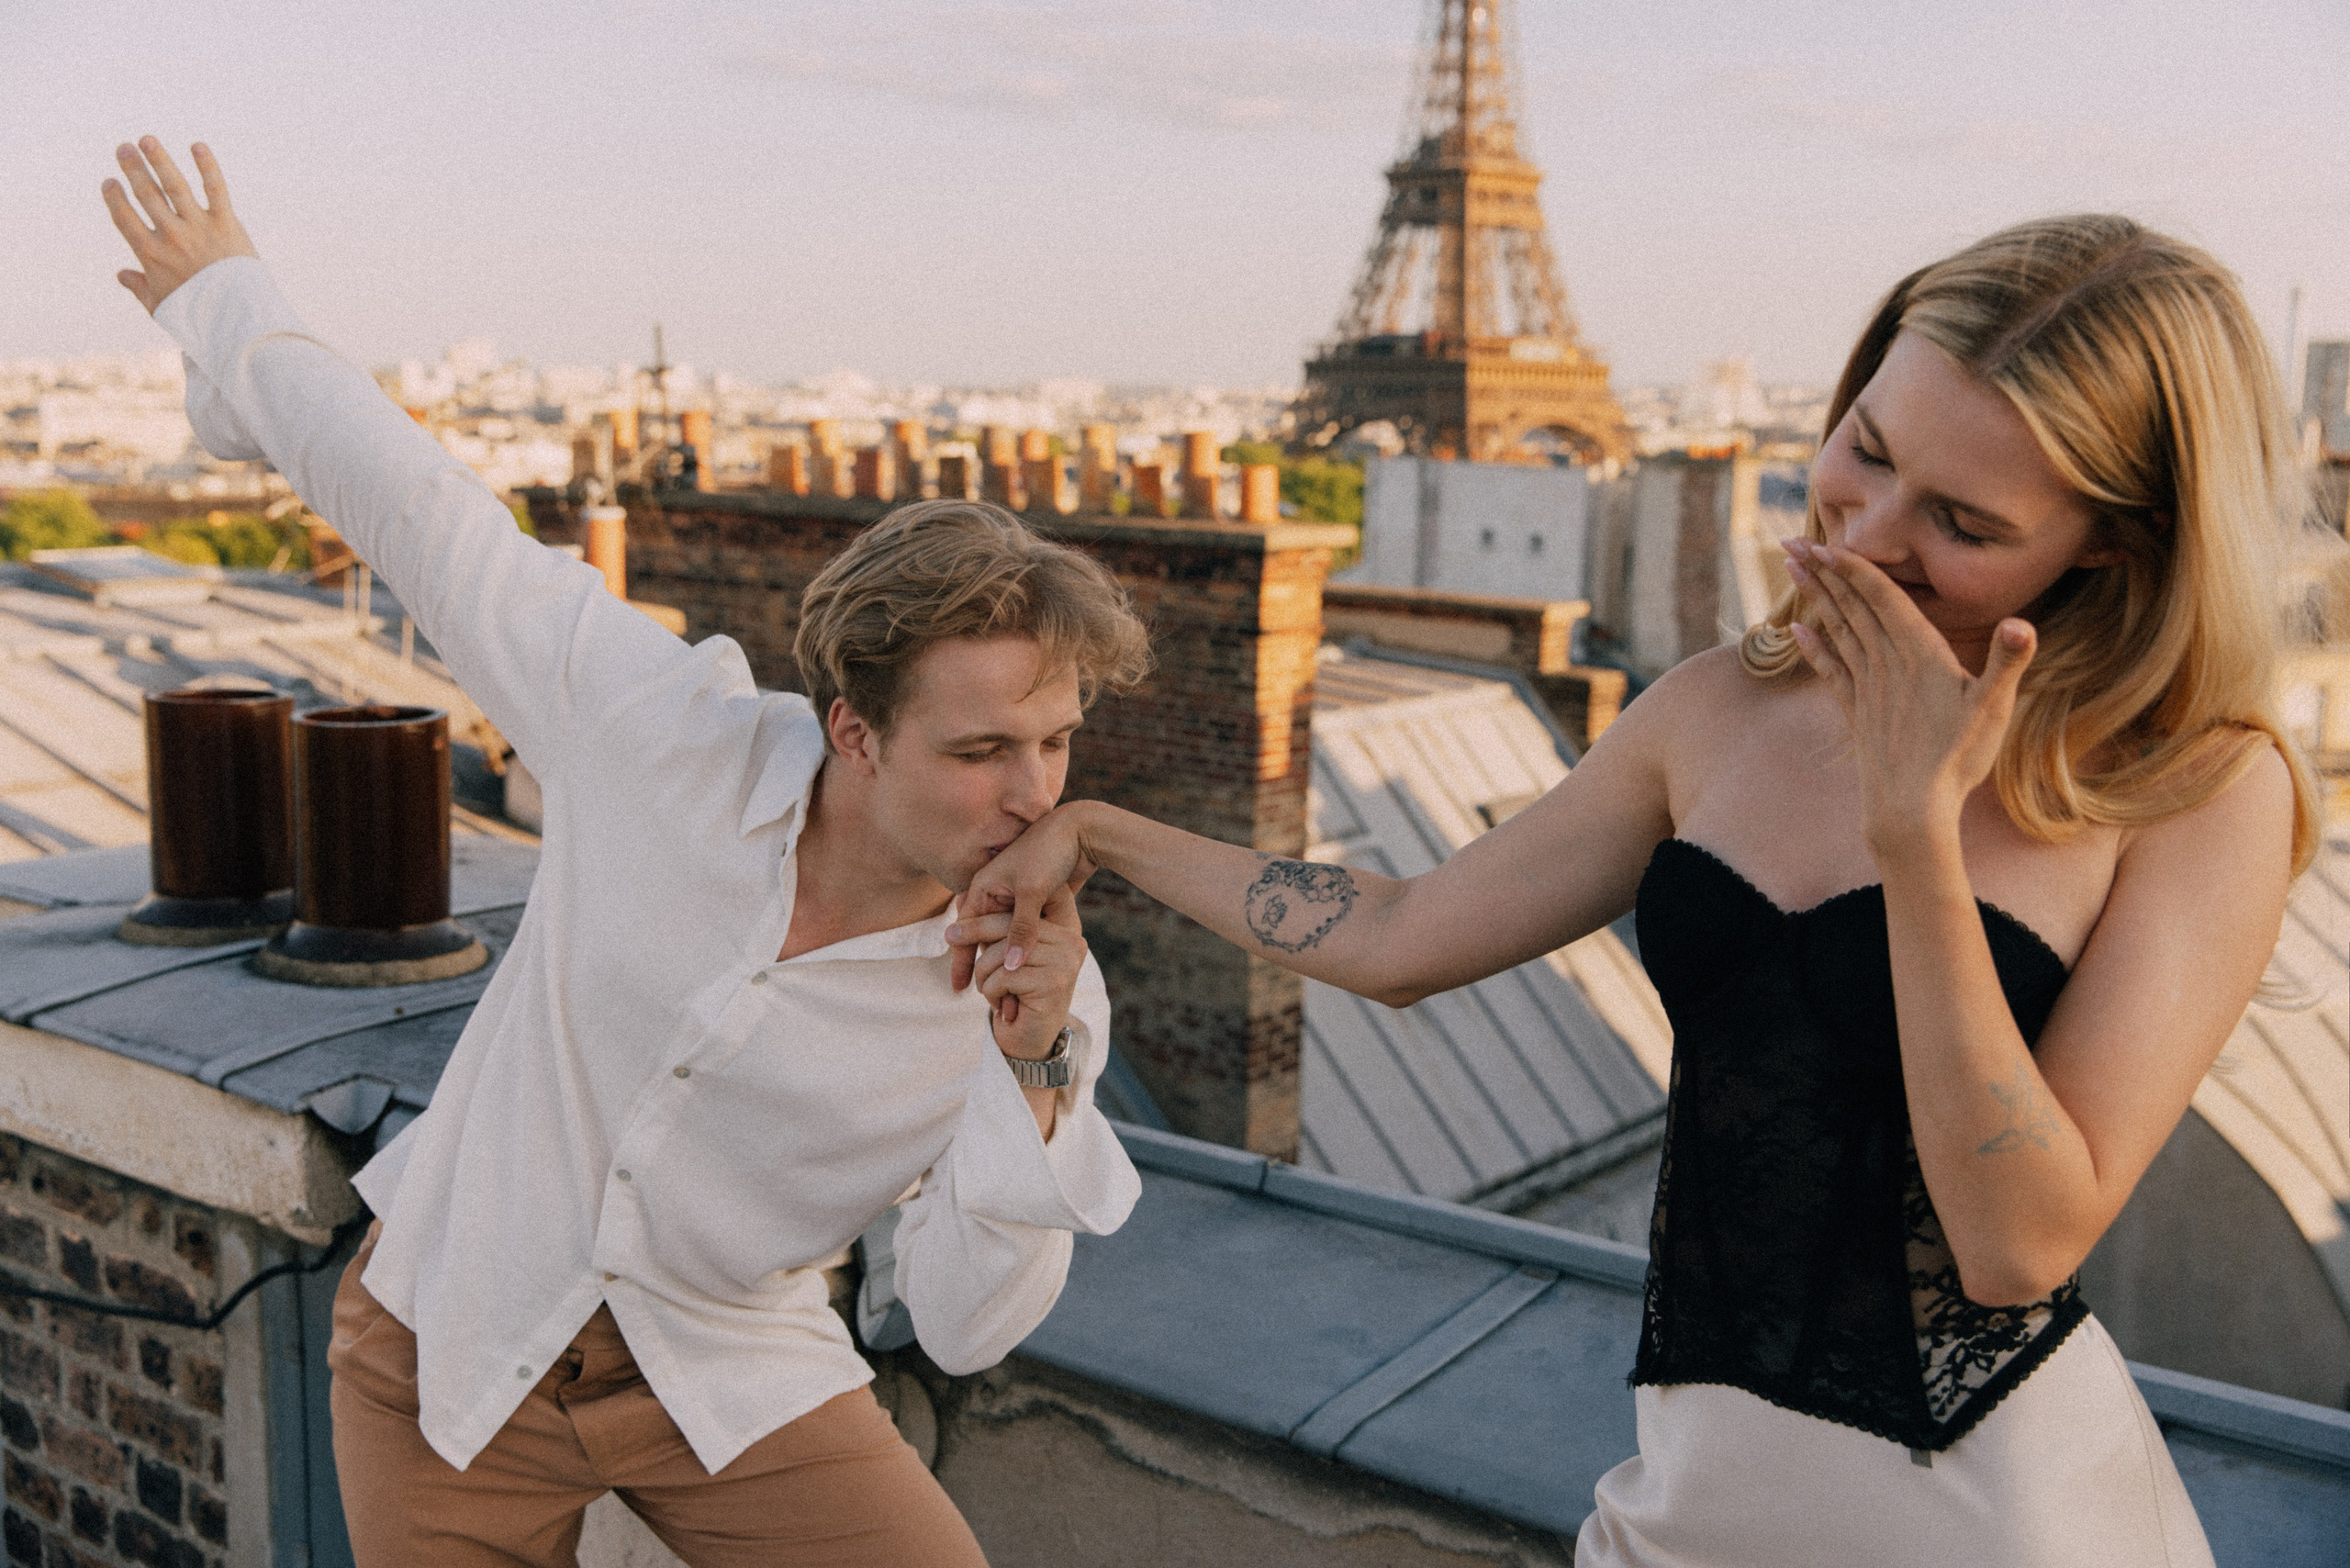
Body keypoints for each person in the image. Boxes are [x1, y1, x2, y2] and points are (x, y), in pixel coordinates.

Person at [956, 215, 2312, 1566]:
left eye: (1961, 522)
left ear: (2113, 549)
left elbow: (2018, 1248)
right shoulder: (1727, 703)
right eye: (1870, 451)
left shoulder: (2196, 789)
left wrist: (1919, 838)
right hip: (1691, 1494)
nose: (1869, 532)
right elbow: (1400, 933)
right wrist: (1101, 834)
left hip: (1994, 1524)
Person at [102, 138, 1153, 1566]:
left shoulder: (1038, 988)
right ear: (853, 733)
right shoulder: (664, 738)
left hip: (730, 1375)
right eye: (981, 753)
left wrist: (1035, 1071)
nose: (1035, 798)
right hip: (447, 1351)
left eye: (1056, 745)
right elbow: (427, 516)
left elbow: (967, 1327)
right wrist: (224, 296)